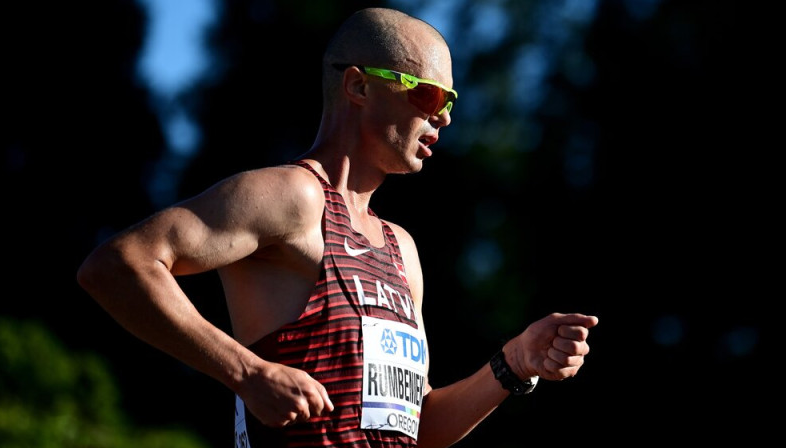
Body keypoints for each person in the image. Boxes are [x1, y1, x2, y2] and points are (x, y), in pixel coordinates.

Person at [77, 7, 598, 448]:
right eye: (429, 95)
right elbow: (119, 264)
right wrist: (247, 373)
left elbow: (420, 425)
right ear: (358, 86)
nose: (443, 119)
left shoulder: (402, 249)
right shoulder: (292, 197)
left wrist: (514, 363)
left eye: (451, 103)